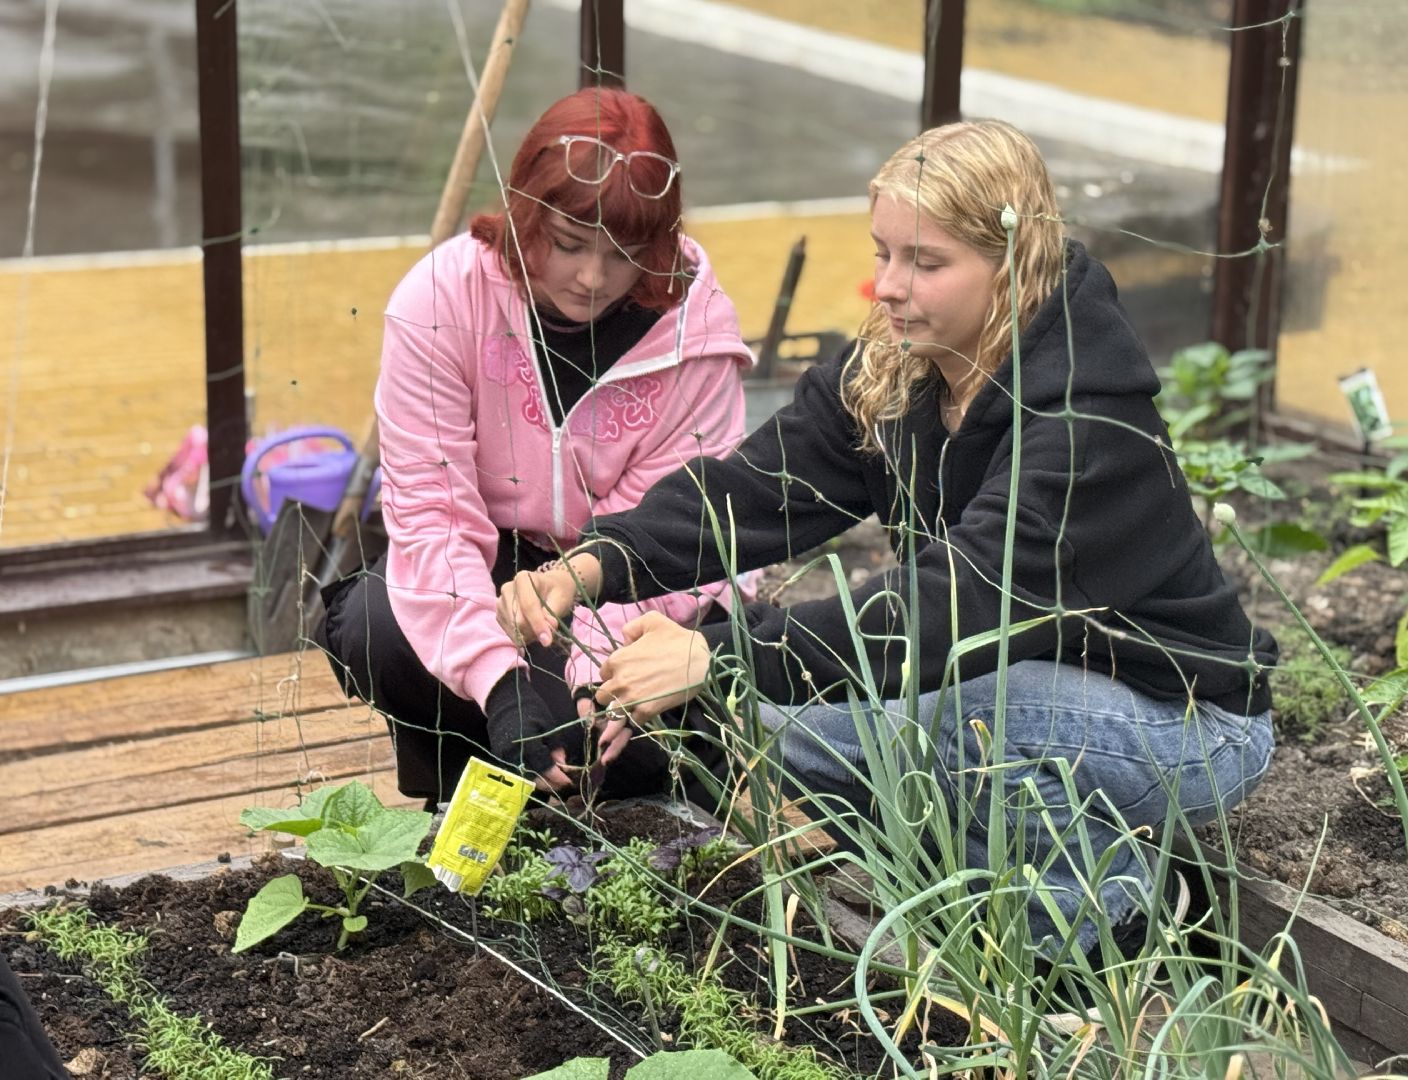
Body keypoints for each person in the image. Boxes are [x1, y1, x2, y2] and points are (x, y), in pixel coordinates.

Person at [499, 119, 1277, 956]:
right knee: (750, 723)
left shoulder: (1085, 421)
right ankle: (960, 861)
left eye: (926, 263)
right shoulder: (899, 367)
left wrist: (718, 653)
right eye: (884, 254)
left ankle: (1096, 929)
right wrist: (596, 563)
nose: (890, 287)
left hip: (1180, 719)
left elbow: (949, 608)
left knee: (976, 721)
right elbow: (753, 488)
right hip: (996, 683)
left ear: (1012, 264)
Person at [318, 88, 757, 807]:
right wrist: (500, 684)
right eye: (569, 243)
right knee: (377, 626)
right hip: (492, 564)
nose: (592, 277)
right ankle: (473, 783)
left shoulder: (695, 335)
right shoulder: (444, 301)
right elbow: (432, 514)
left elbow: (670, 532)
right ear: (526, 215)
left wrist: (597, 679)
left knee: (641, 720)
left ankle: (603, 783)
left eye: (624, 254)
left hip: (630, 580)